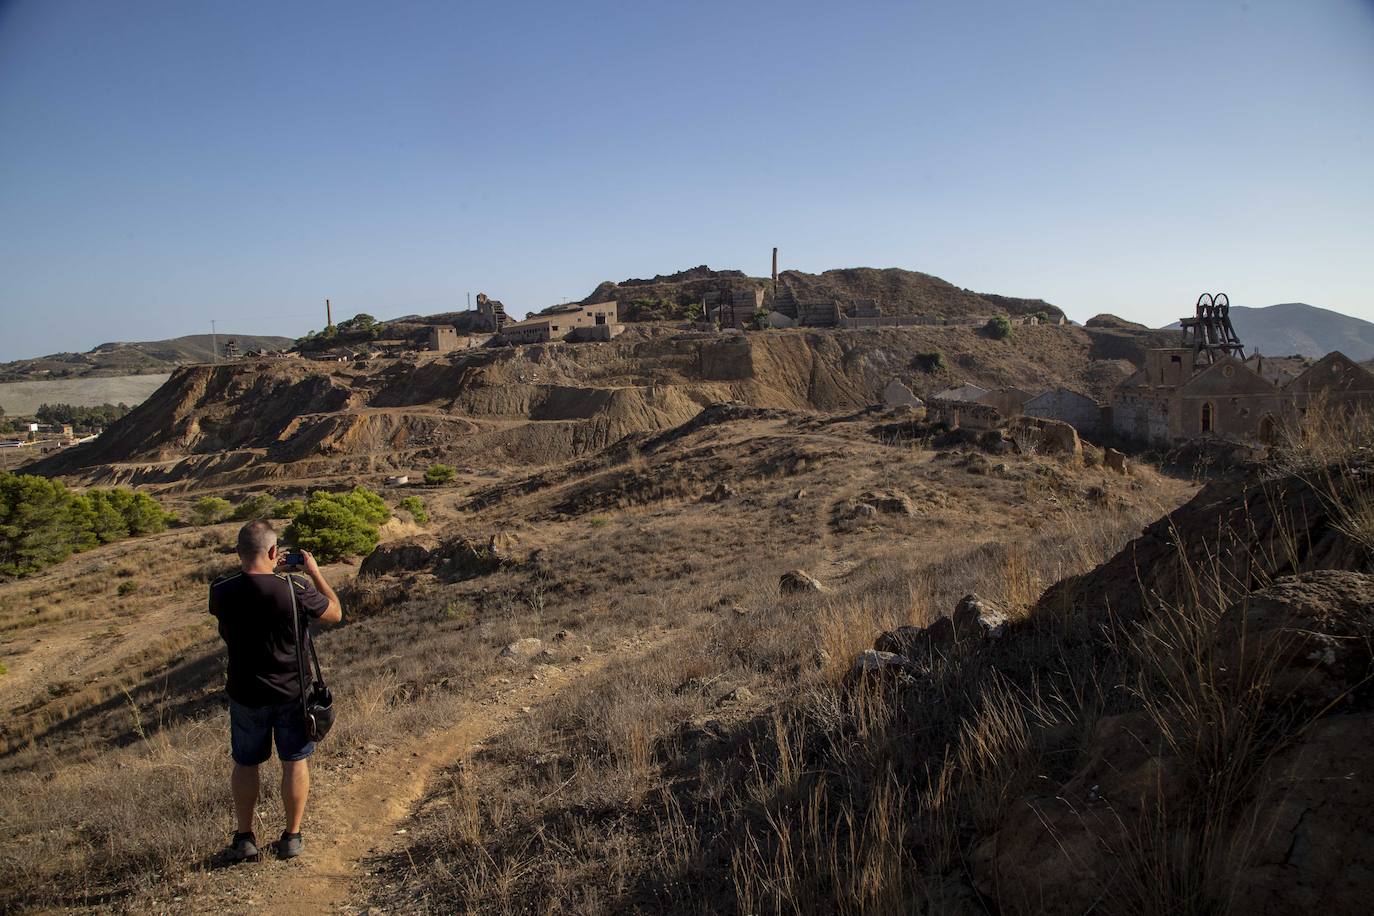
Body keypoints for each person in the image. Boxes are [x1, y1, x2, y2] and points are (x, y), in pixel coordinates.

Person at [209, 519, 342, 862]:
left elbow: (231, 620)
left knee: (245, 763)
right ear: (273, 551)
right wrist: (313, 572)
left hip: (245, 693)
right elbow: (335, 614)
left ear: (238, 552)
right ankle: (291, 837)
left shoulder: (221, 592)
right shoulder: (294, 588)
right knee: (294, 762)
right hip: (291, 693)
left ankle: (244, 837)